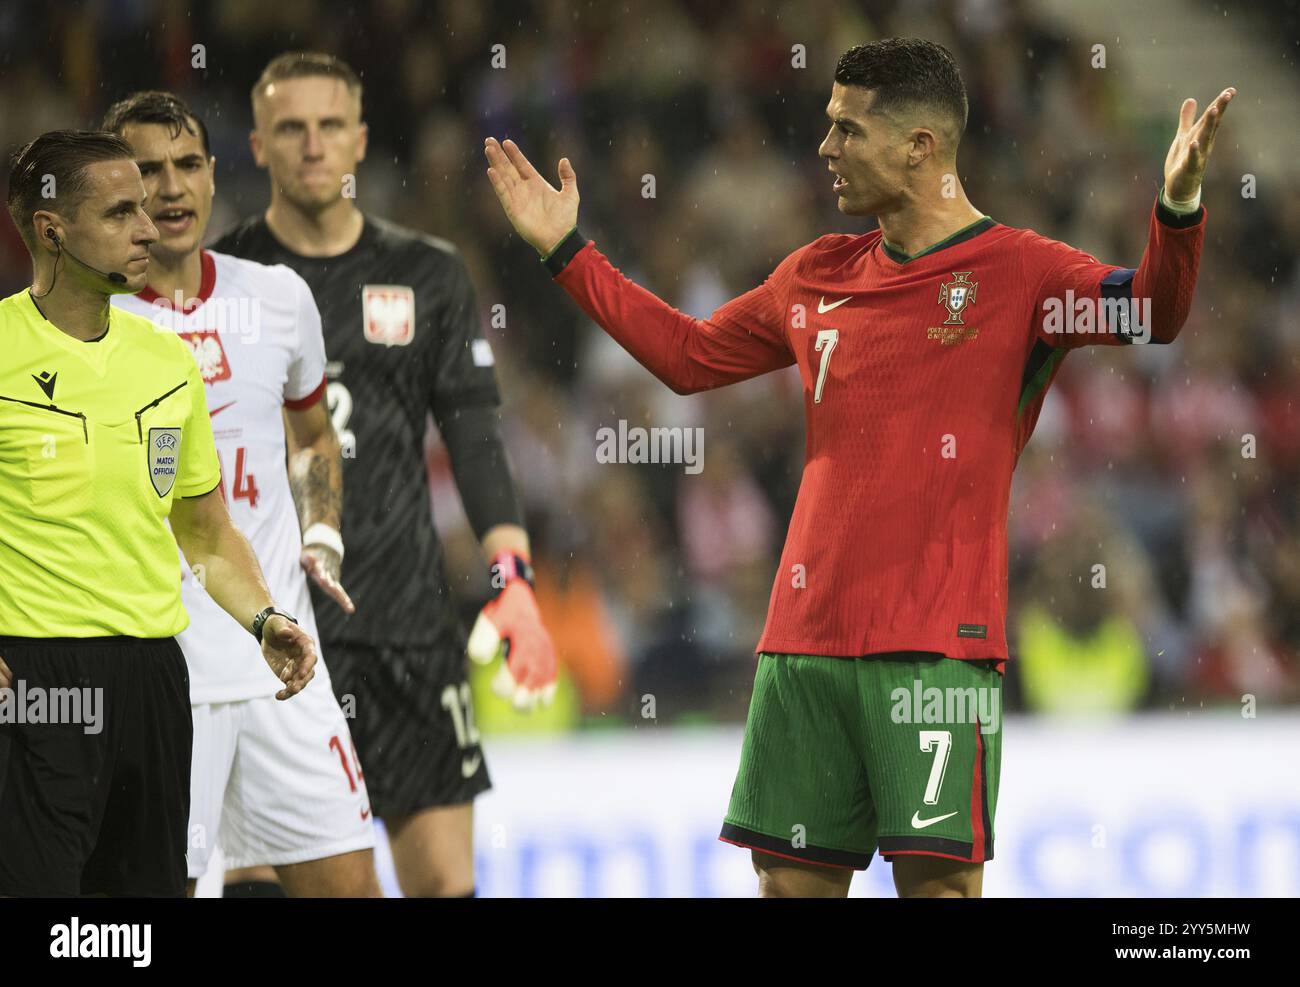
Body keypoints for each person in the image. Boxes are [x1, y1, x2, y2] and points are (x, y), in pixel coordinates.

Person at [483, 37, 1235, 898]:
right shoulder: (815, 274)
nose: (825, 148)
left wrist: (1177, 207)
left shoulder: (1024, 274)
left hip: (936, 652)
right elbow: (687, 357)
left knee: (942, 892)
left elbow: (1153, 313)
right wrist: (567, 251)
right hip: (803, 643)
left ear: (920, 145)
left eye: (847, 129)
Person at [213, 52, 556, 897]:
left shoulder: (429, 273)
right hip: (275, 624)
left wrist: (512, 578)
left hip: (406, 618)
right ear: (258, 144)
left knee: (443, 881)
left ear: (362, 140)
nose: (313, 145)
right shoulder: (221, 282)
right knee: (269, 875)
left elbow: (474, 435)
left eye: (331, 126)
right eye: (291, 128)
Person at [0, 130, 314, 897]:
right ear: (53, 230)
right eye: (119, 213)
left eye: (145, 208)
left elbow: (203, 532)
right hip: (38, 675)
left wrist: (266, 618)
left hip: (153, 680)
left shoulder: (166, 363)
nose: (148, 228)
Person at [104, 90, 381, 898]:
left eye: (187, 164)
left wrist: (322, 529)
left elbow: (313, 432)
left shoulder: (278, 298)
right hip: (159, 678)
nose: (171, 188)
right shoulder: (90, 324)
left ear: (216, 175)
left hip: (282, 663)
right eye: (147, 170)